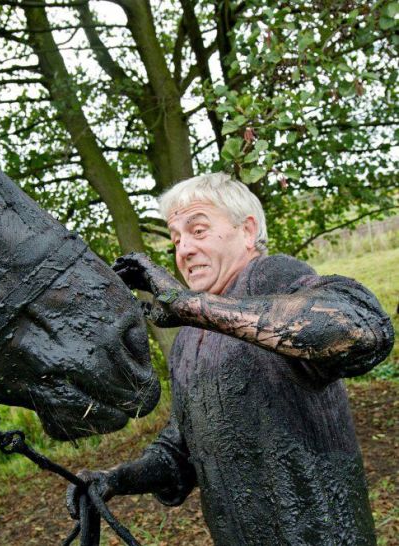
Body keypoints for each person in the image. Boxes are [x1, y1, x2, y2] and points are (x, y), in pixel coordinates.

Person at [67, 173, 394, 545]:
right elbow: (182, 451)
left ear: (248, 231)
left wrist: (186, 303)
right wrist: (115, 479)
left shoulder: (270, 277)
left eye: (199, 230)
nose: (183, 250)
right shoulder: (189, 336)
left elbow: (361, 330)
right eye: (176, 239)